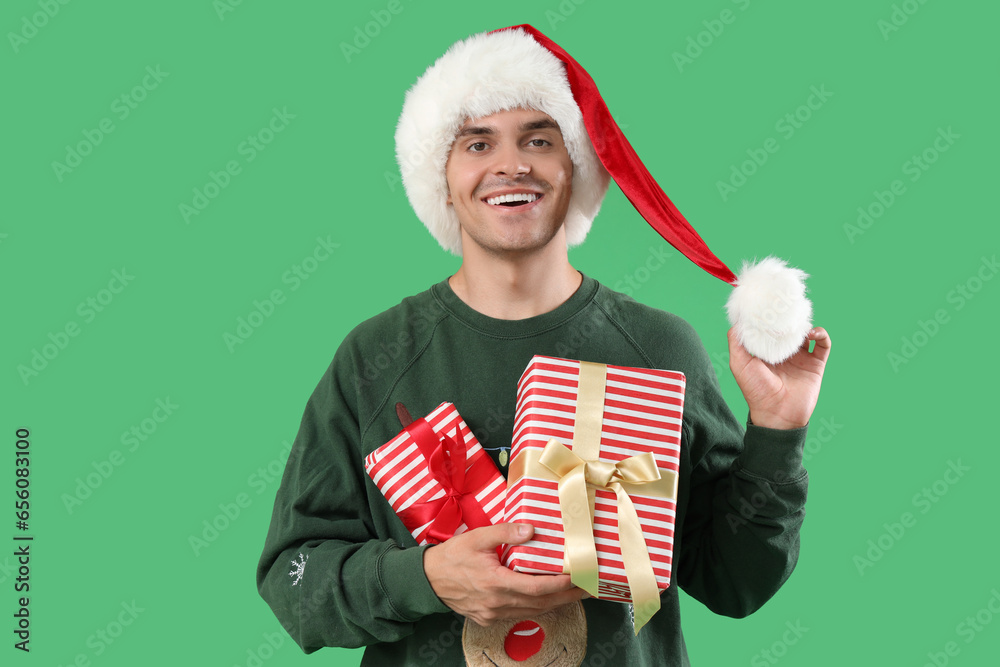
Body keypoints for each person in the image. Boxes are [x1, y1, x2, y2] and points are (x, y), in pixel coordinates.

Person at [257, 24, 831, 665]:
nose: (512, 164)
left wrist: (778, 431)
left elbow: (737, 581)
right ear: (442, 179)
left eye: (540, 139)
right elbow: (293, 580)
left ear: (577, 168)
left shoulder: (660, 347)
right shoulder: (376, 358)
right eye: (477, 142)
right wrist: (425, 579)